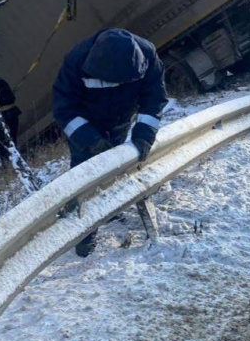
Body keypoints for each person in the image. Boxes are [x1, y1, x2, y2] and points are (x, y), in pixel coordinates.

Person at [53, 28, 168, 257]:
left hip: (120, 121)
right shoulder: (77, 60)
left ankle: (109, 209)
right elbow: (64, 109)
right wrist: (90, 140)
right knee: (83, 177)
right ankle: (84, 233)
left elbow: (154, 100)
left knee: (114, 169)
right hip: (84, 127)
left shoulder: (147, 55)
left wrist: (144, 134)